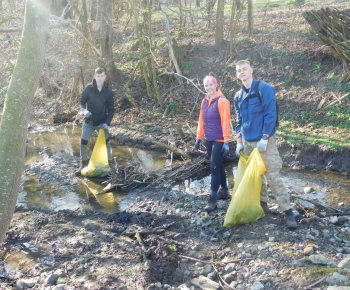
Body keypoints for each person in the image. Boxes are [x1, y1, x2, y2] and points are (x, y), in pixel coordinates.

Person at [233, 60, 297, 229]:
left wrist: (265, 137)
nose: (242, 72)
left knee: (273, 177)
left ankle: (288, 211)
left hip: (264, 142)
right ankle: (263, 206)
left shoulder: (265, 89)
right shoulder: (237, 96)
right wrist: (239, 142)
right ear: (237, 74)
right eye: (239, 71)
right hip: (247, 143)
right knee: (256, 177)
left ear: (251, 70)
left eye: (244, 69)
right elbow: (239, 120)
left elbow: (270, 115)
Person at [195, 76, 231, 212]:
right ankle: (225, 190)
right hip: (209, 139)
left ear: (216, 85)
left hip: (220, 140)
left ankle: (213, 198)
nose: (208, 87)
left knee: (213, 167)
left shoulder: (222, 101)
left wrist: (226, 141)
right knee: (218, 165)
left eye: (211, 85)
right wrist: (199, 137)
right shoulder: (204, 101)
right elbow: (201, 120)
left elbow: (226, 121)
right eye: (206, 85)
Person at [75, 67, 115, 176]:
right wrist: (84, 111)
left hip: (102, 123)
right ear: (94, 77)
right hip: (89, 122)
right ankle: (83, 165)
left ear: (105, 77)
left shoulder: (109, 92)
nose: (100, 78)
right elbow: (82, 102)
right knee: (83, 143)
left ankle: (110, 165)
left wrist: (107, 123)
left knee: (107, 144)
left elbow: (111, 110)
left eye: (102, 76)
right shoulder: (89, 88)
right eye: (98, 76)